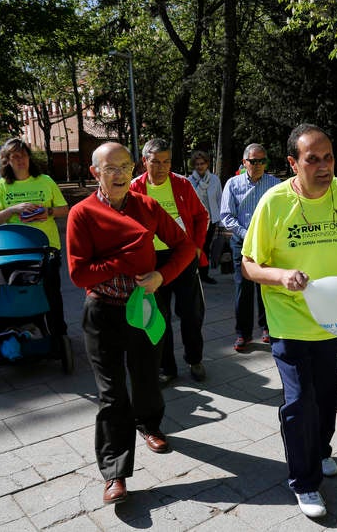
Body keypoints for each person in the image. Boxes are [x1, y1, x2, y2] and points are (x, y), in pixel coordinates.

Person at [241, 124, 337, 518]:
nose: (324, 165)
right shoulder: (274, 203)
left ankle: (321, 450)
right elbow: (248, 266)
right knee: (299, 401)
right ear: (294, 163)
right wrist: (281, 277)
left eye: (329, 157)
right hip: (288, 318)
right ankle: (305, 482)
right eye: (313, 159)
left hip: (331, 320)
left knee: (327, 394)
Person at [67, 142, 194, 505]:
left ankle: (150, 425)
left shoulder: (147, 206)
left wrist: (161, 276)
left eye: (125, 166)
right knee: (112, 395)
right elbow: (78, 273)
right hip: (102, 311)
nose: (120, 174)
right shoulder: (83, 213)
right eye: (111, 168)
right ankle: (115, 473)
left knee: (146, 378)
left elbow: (185, 247)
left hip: (142, 308)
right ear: (95, 173)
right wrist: (124, 258)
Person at [129, 138, 209, 383]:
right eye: (155, 162)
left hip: (182, 256)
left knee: (191, 314)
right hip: (152, 262)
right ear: (145, 162)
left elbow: (200, 216)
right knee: (158, 316)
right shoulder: (134, 188)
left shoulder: (182, 184)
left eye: (166, 162)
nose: (162, 167)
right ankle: (167, 368)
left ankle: (194, 359)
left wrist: (196, 247)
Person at [0, 138, 70, 338]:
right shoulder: (2, 186)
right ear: (7, 161)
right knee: (20, 293)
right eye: (15, 157)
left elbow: (64, 210)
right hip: (15, 252)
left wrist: (47, 211)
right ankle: (24, 331)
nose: (21, 160)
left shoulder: (45, 181)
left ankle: (59, 334)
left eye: (23, 156)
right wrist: (14, 209)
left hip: (46, 250)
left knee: (51, 293)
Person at [220, 143, 280, 352]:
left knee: (266, 287)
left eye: (262, 161)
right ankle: (243, 333)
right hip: (242, 243)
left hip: (267, 245)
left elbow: (281, 214)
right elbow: (226, 216)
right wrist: (248, 235)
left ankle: (267, 328)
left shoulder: (275, 184)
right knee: (243, 290)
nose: (258, 165)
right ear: (244, 163)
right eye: (253, 161)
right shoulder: (233, 184)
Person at [187, 150, 222, 284]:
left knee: (206, 247)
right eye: (197, 164)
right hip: (195, 221)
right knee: (195, 247)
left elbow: (219, 199)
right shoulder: (189, 181)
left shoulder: (214, 179)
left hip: (211, 219)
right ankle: (193, 274)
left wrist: (220, 221)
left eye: (202, 163)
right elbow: (191, 200)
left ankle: (204, 274)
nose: (200, 166)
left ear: (207, 164)